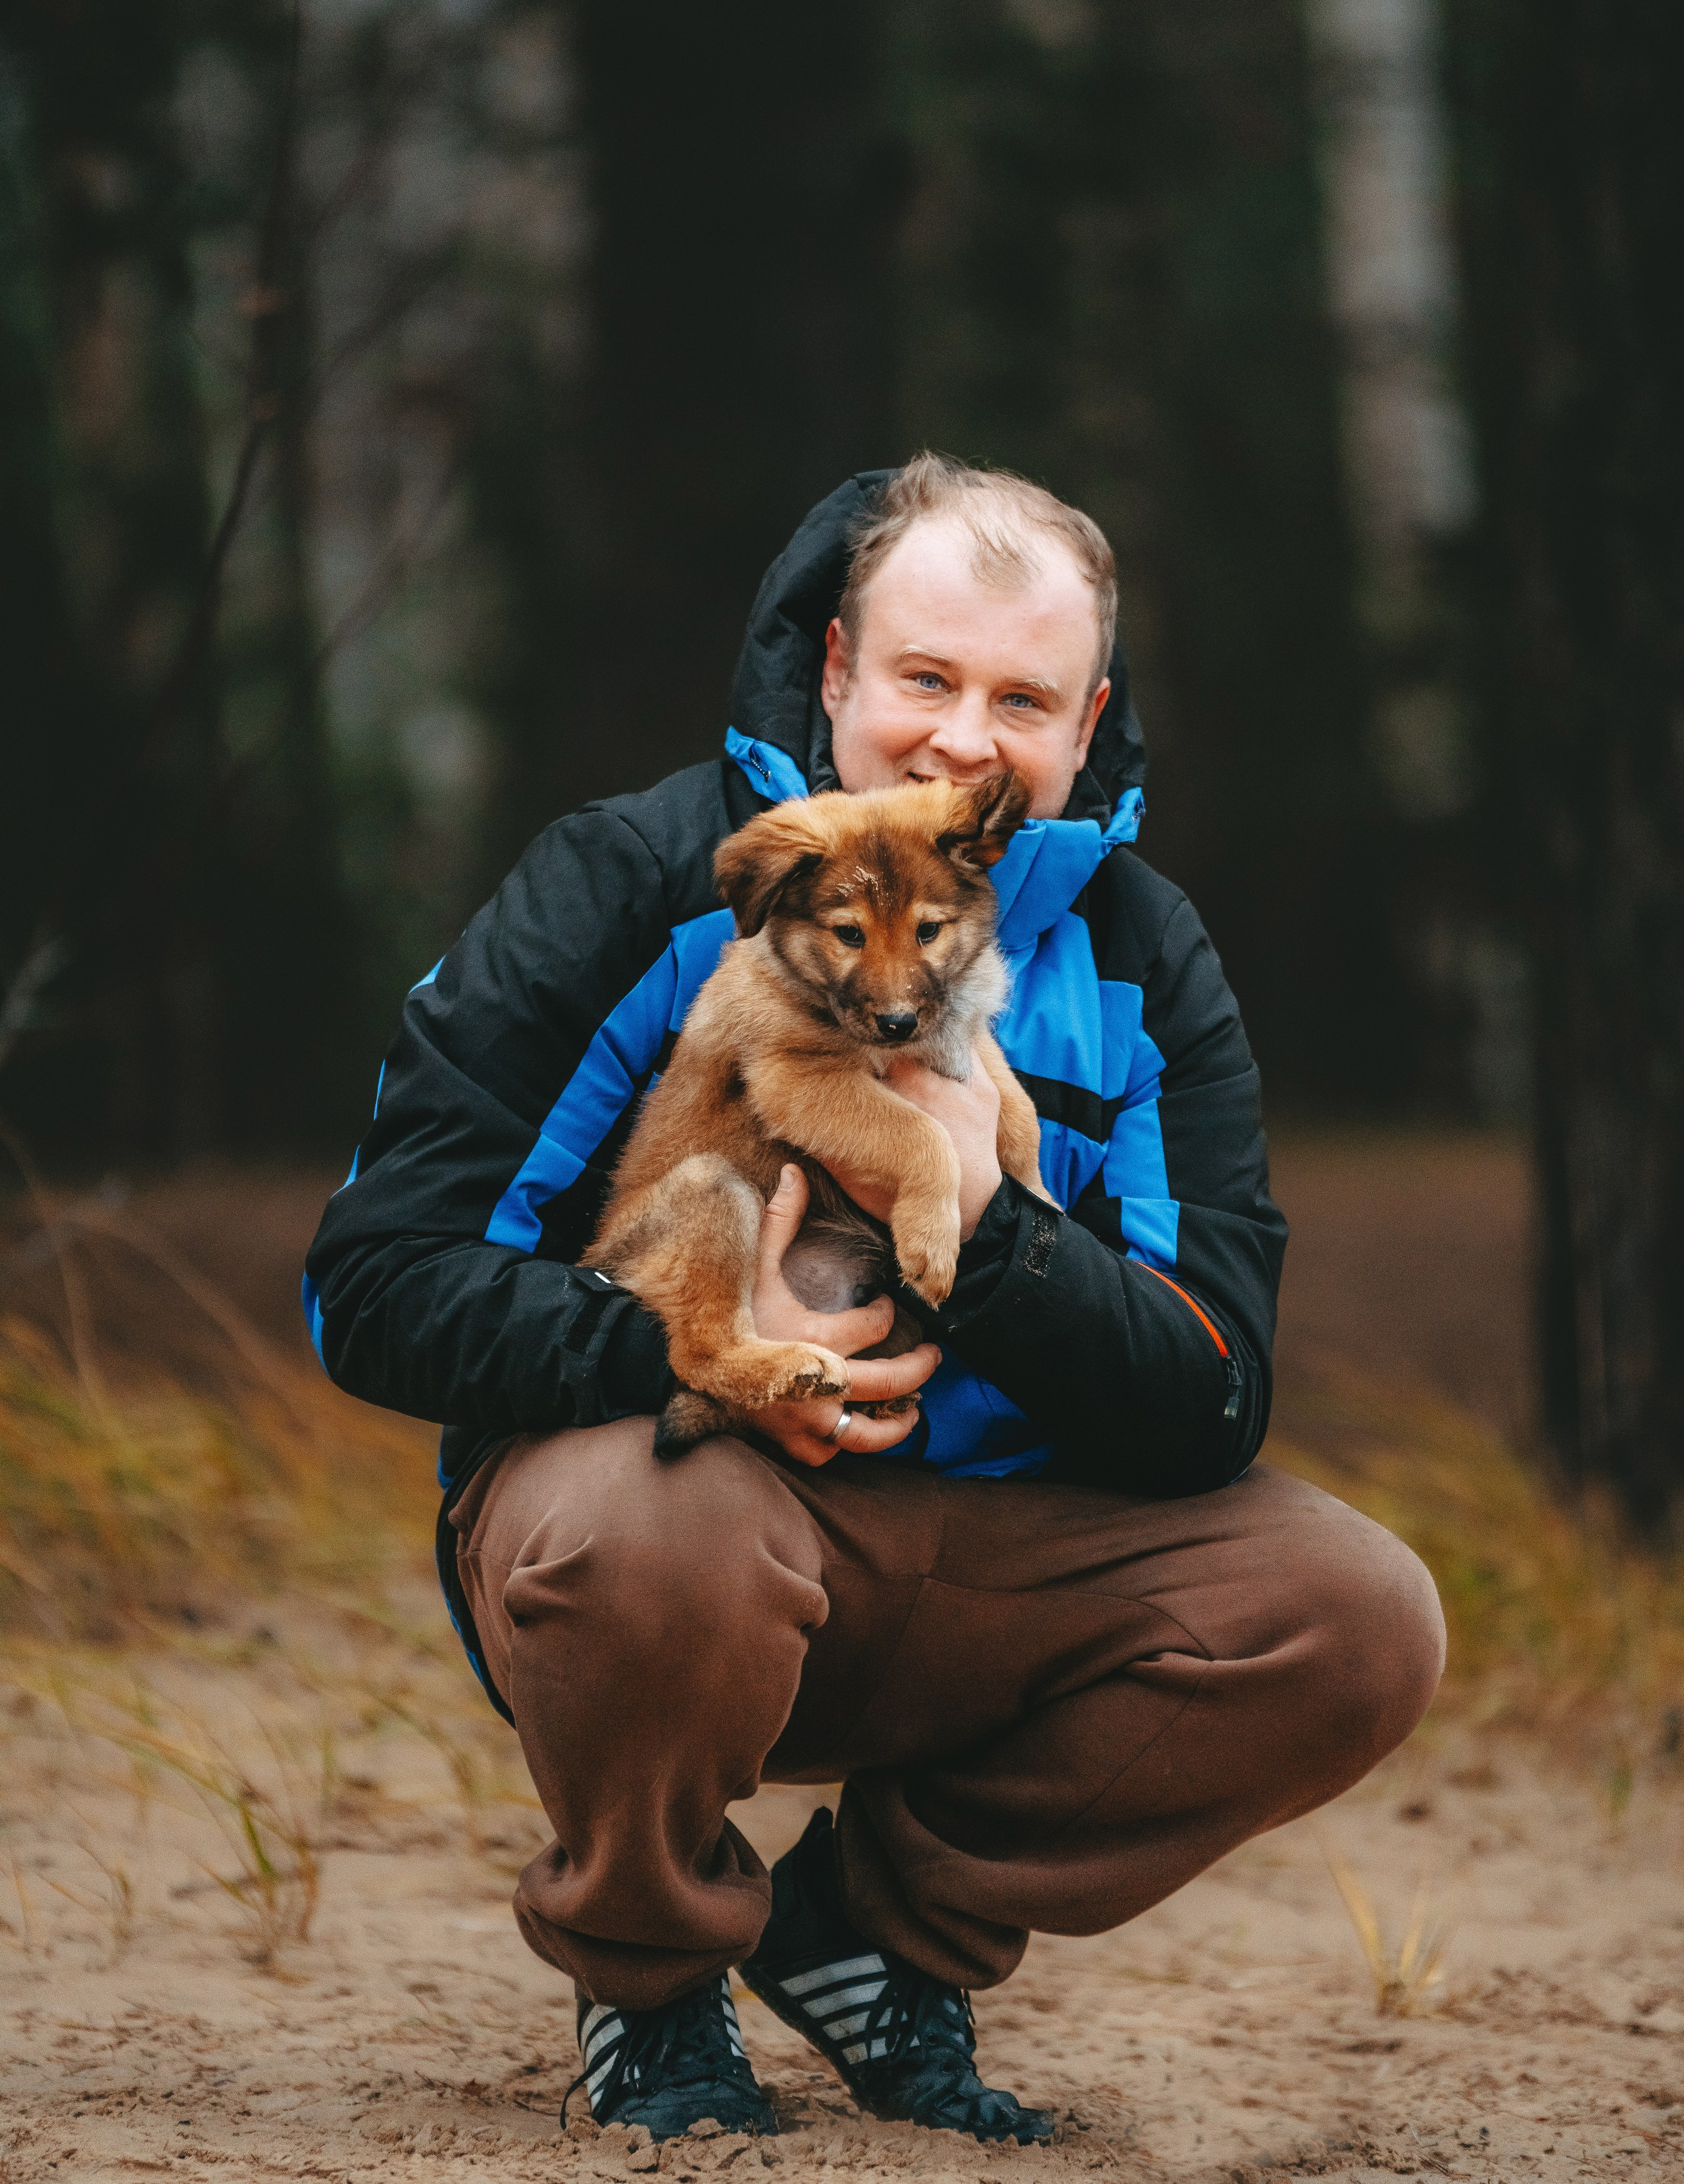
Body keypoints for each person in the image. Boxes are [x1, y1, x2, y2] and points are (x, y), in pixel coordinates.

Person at [304, 456, 1445, 2147]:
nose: (963, 738)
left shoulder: (1142, 953)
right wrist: (685, 1346)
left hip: (987, 1546)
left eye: (1021, 697)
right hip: (673, 1526)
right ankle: (649, 1975)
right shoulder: (641, 880)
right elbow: (371, 1285)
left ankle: (871, 1931)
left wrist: (987, 1229)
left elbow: (1210, 1392)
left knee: (1353, 1611)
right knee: (650, 1528)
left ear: (1086, 719)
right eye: (923, 678)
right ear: (836, 667)